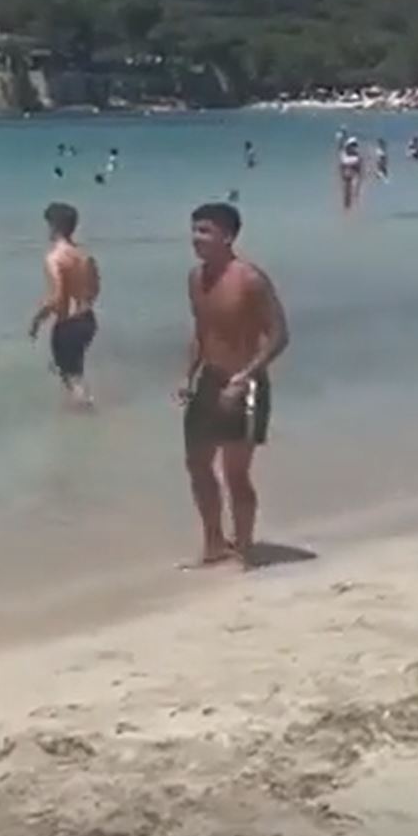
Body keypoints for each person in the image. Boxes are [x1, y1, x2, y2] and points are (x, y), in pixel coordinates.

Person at [178, 203, 289, 569]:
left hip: (246, 384)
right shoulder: (196, 279)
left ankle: (244, 547)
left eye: (205, 231)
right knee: (196, 464)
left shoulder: (250, 279)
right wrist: (187, 375)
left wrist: (246, 376)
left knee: (235, 472)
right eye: (195, 230)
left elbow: (278, 336)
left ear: (227, 236)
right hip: (208, 381)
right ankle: (213, 543)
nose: (197, 238)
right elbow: (201, 332)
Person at [27, 202, 101, 409]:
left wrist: (37, 320)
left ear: (54, 226)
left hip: (68, 323)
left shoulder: (54, 258)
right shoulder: (85, 256)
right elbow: (95, 288)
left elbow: (57, 296)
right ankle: (78, 409)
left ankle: (85, 412)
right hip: (88, 320)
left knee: (71, 376)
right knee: (71, 370)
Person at [338, 137, 365, 211]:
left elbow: (360, 170)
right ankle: (347, 209)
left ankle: (353, 207)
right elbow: (341, 167)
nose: (354, 147)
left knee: (355, 193)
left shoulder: (357, 156)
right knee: (347, 195)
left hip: (353, 175)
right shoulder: (344, 155)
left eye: (355, 146)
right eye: (352, 145)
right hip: (347, 175)